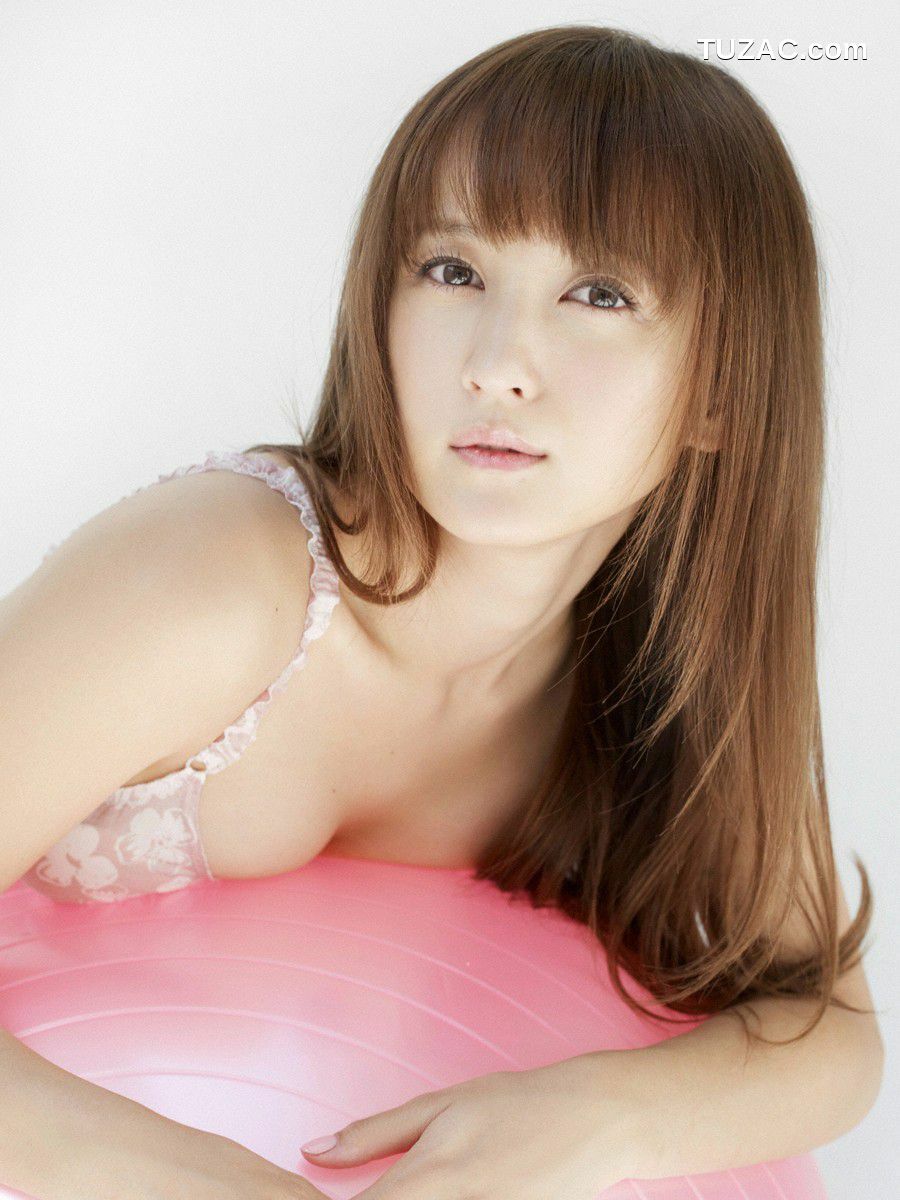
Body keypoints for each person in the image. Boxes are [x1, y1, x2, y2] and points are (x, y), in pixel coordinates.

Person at [0, 23, 884, 1200]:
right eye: (454, 271)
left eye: (600, 293)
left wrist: (598, 1119)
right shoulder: (219, 581)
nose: (498, 362)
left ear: (720, 392)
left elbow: (830, 1030)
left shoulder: (655, 685)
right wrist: (179, 1174)